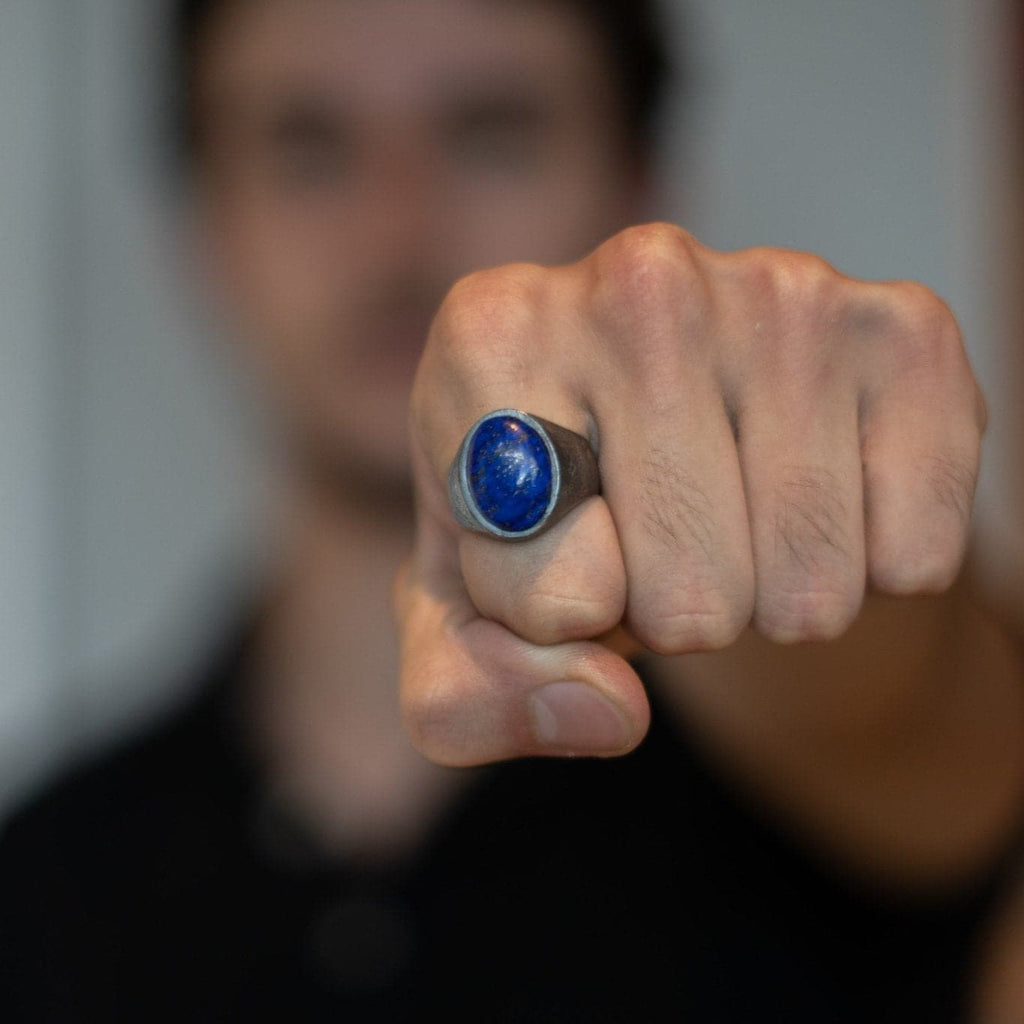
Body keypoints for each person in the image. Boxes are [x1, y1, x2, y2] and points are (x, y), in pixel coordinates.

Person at [2, 0, 1022, 1020]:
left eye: (492, 135)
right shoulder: (43, 884)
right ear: (203, 233)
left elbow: (907, 704)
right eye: (307, 147)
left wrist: (816, 523)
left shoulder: (813, 769)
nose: (395, 229)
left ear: (640, 199)